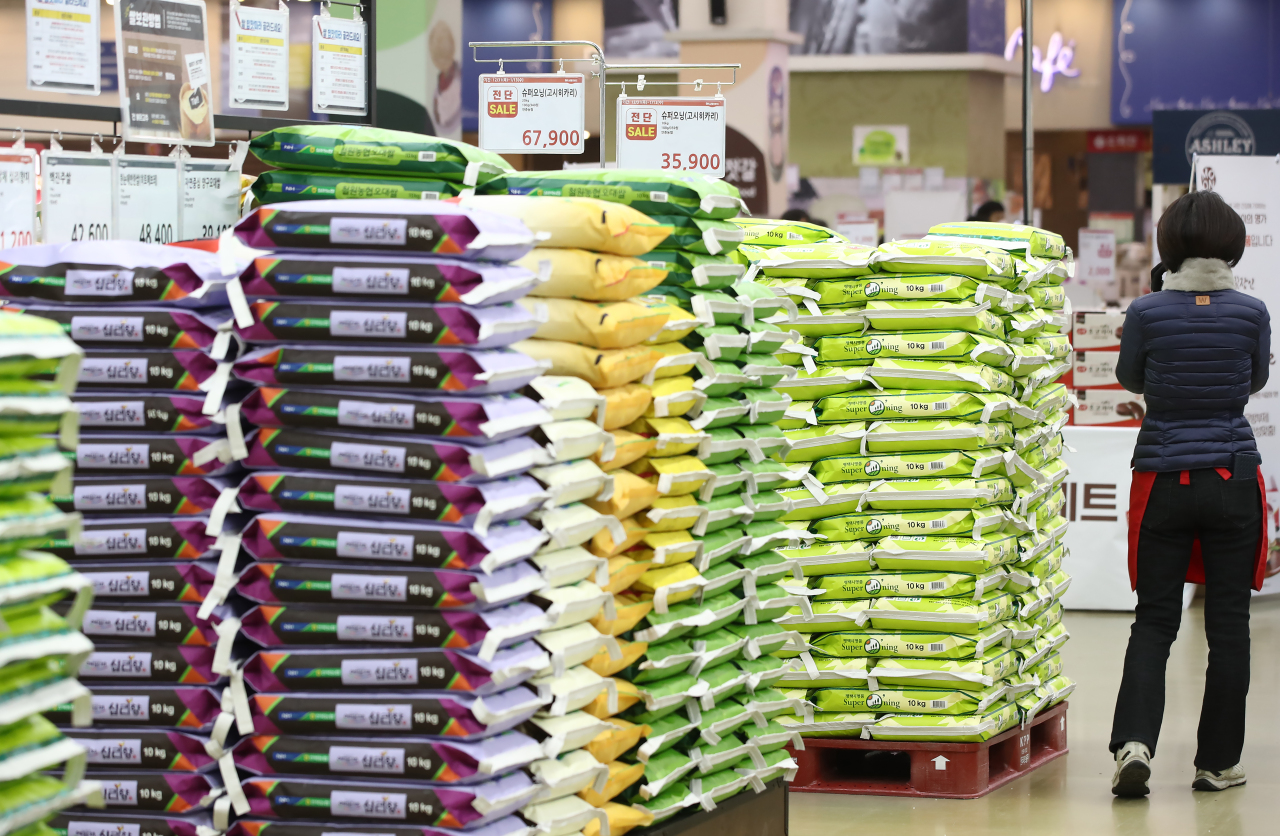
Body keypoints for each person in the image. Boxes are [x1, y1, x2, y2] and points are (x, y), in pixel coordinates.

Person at [1110, 190, 1270, 797]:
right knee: (1229, 626)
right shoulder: (1252, 312)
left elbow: (1128, 377)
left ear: (1168, 246)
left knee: (1154, 621)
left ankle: (1133, 744)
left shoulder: (1147, 311)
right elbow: (1253, 381)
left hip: (1163, 478)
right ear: (1234, 243)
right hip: (1232, 476)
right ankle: (1216, 763)